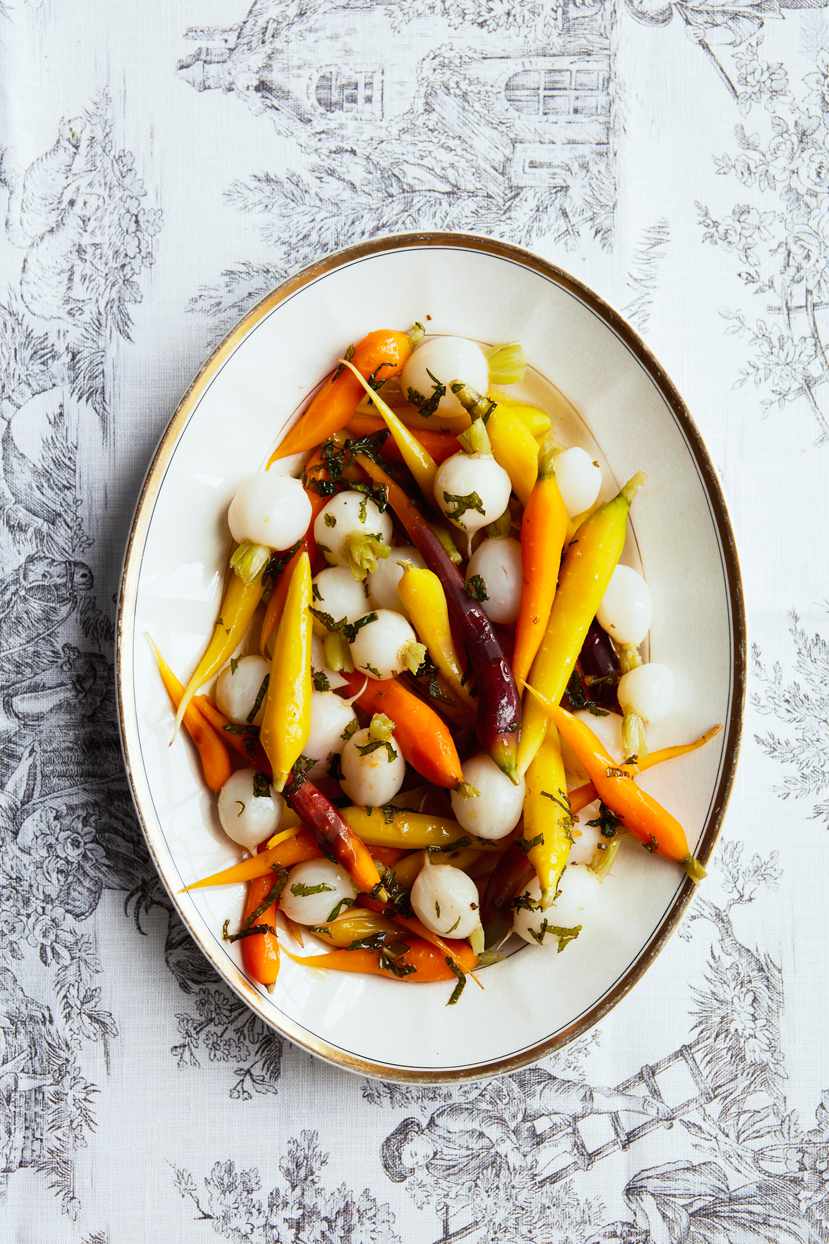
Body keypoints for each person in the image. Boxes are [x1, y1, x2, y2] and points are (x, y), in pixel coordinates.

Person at [381, 1066, 671, 1186]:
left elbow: (486, 1120)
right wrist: (515, 1160)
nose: (420, 1161)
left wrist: (509, 1150)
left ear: (413, 1134)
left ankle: (641, 1104)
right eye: (414, 1165)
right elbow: (480, 1171)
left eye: (413, 1153)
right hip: (520, 1134)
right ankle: (563, 1137)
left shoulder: (444, 1120)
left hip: (517, 1094)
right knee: (536, 1167)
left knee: (578, 1101)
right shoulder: (439, 1167)